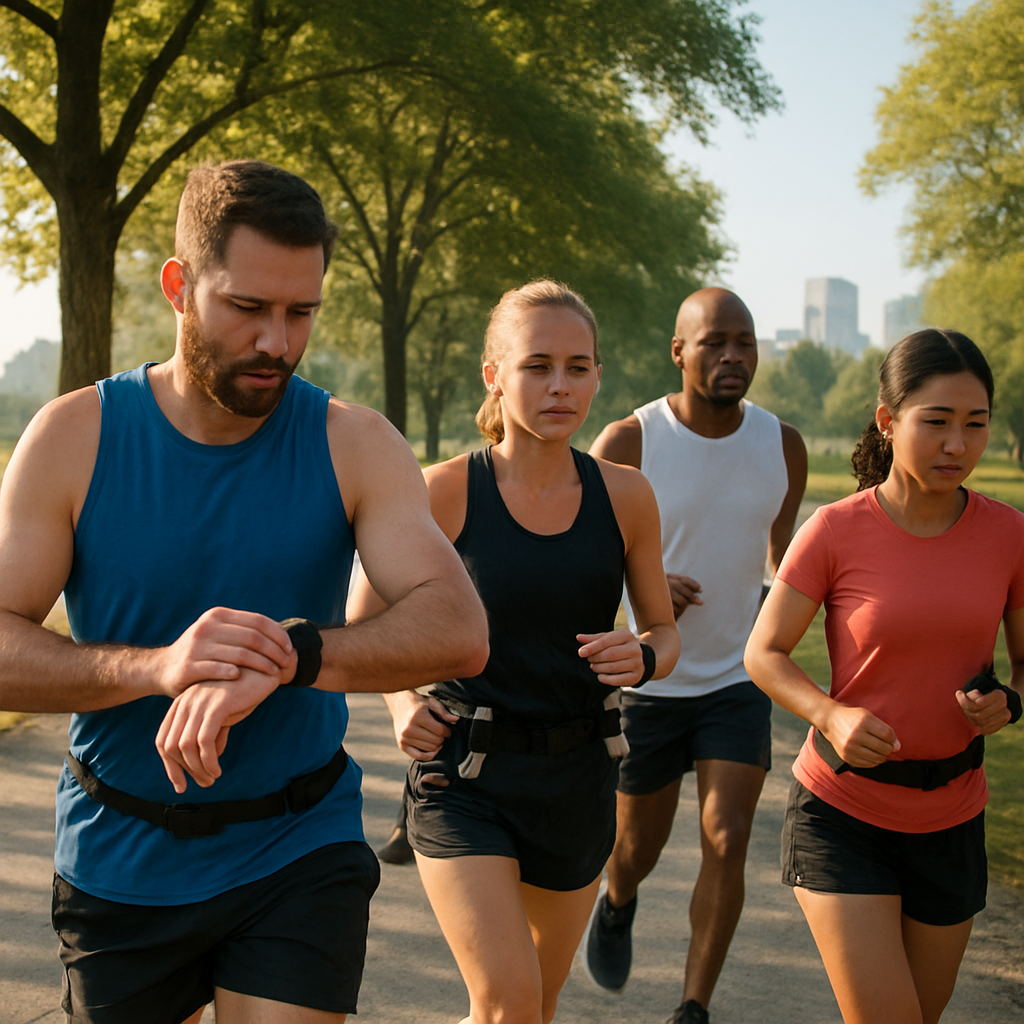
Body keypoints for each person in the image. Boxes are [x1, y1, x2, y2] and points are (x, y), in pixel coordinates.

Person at [0, 160, 489, 1024]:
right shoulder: (74, 436)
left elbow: (457, 627)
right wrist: (158, 669)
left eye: (301, 312)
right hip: (121, 855)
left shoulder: (354, 443)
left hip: (299, 847)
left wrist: (291, 653)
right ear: (180, 287)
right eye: (248, 308)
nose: (278, 342)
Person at [348, 279, 680, 1024]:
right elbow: (362, 618)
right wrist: (404, 703)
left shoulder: (627, 496)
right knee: (505, 1001)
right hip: (464, 776)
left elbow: (664, 631)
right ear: (495, 375)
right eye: (537, 366)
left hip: (580, 780)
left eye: (578, 366)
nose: (560, 386)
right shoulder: (443, 492)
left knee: (536, 1004)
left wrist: (647, 657)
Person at [744, 329, 1024, 1024]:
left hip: (954, 814)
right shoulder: (835, 531)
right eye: (936, 422)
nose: (957, 444)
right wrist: (831, 715)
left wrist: (1011, 702)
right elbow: (765, 653)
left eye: (975, 424)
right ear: (887, 422)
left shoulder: (1009, 534)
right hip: (843, 813)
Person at [583, 287, 807, 1024]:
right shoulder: (629, 442)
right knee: (635, 849)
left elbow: (782, 563)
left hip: (737, 680)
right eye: (714, 343)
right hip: (649, 679)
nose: (733, 356)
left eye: (744, 342)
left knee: (728, 835)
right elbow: (580, 560)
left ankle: (693, 1007)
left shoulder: (783, 445)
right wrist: (642, 587)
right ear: (679, 352)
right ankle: (617, 903)